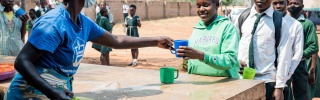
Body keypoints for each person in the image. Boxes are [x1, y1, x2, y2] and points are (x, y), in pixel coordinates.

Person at [4, 0, 173, 99]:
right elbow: (22, 61)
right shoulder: (54, 23)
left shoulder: (82, 22)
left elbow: (115, 40)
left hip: (54, 91)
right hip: (28, 93)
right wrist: (53, 92)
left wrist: (155, 41)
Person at [237, 0, 292, 99]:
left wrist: (279, 87)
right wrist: (237, 62)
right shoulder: (243, 17)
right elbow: (235, 44)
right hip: (242, 80)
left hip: (266, 82)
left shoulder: (280, 22)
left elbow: (284, 56)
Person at [176, 0, 240, 78]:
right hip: (198, 83)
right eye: (198, 6)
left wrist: (202, 56)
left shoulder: (227, 27)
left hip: (223, 85)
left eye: (205, 5)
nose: (201, 9)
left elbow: (229, 60)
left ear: (216, 5)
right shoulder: (197, 27)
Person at [272, 0, 304, 99]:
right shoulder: (266, 22)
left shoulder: (296, 25)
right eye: (275, 3)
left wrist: (287, 74)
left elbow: (298, 53)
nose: (278, 6)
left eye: (281, 3)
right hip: (267, 73)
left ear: (287, 3)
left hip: (286, 73)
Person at [287, 0, 319, 100]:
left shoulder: (307, 24)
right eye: (290, 3)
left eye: (296, 3)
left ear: (302, 6)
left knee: (302, 94)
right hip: (285, 64)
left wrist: (297, 57)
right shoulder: (284, 22)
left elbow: (313, 47)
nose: (293, 6)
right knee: (285, 92)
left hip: (301, 64)